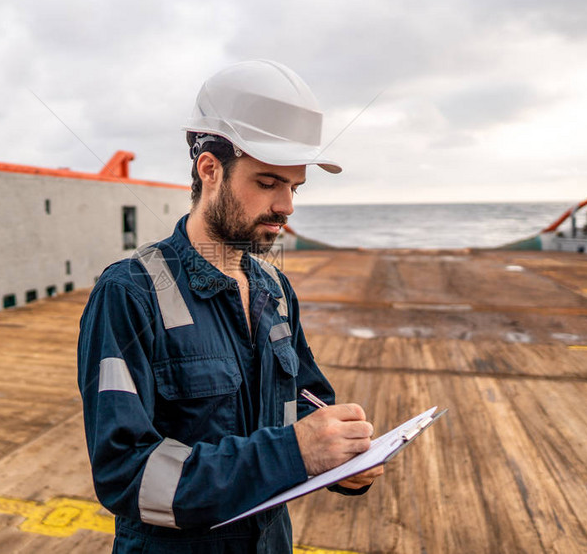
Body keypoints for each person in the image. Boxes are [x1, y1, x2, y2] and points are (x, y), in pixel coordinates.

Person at [77, 59, 384, 553]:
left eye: (293, 187)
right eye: (268, 182)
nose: (286, 206)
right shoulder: (130, 293)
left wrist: (345, 457)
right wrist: (294, 452)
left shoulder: (275, 290)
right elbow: (125, 474)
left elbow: (309, 406)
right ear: (210, 169)